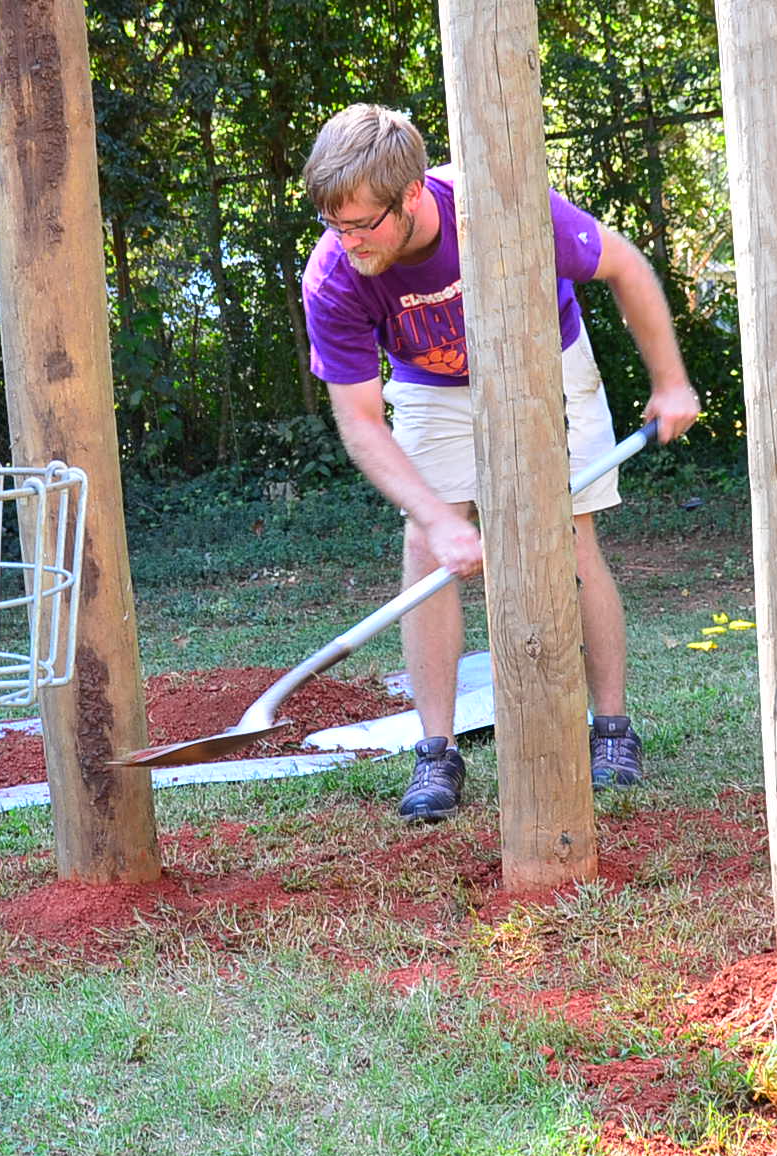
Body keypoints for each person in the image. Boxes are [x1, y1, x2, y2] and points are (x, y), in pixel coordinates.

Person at [298, 104, 701, 821]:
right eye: (336, 224)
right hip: (430, 383)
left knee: (570, 538)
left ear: (413, 193)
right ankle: (436, 752)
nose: (351, 241)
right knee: (426, 547)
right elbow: (360, 424)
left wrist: (669, 381)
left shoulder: (502, 209)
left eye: (365, 224)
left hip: (545, 356)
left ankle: (610, 728)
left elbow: (625, 265)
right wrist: (437, 518)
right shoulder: (334, 275)